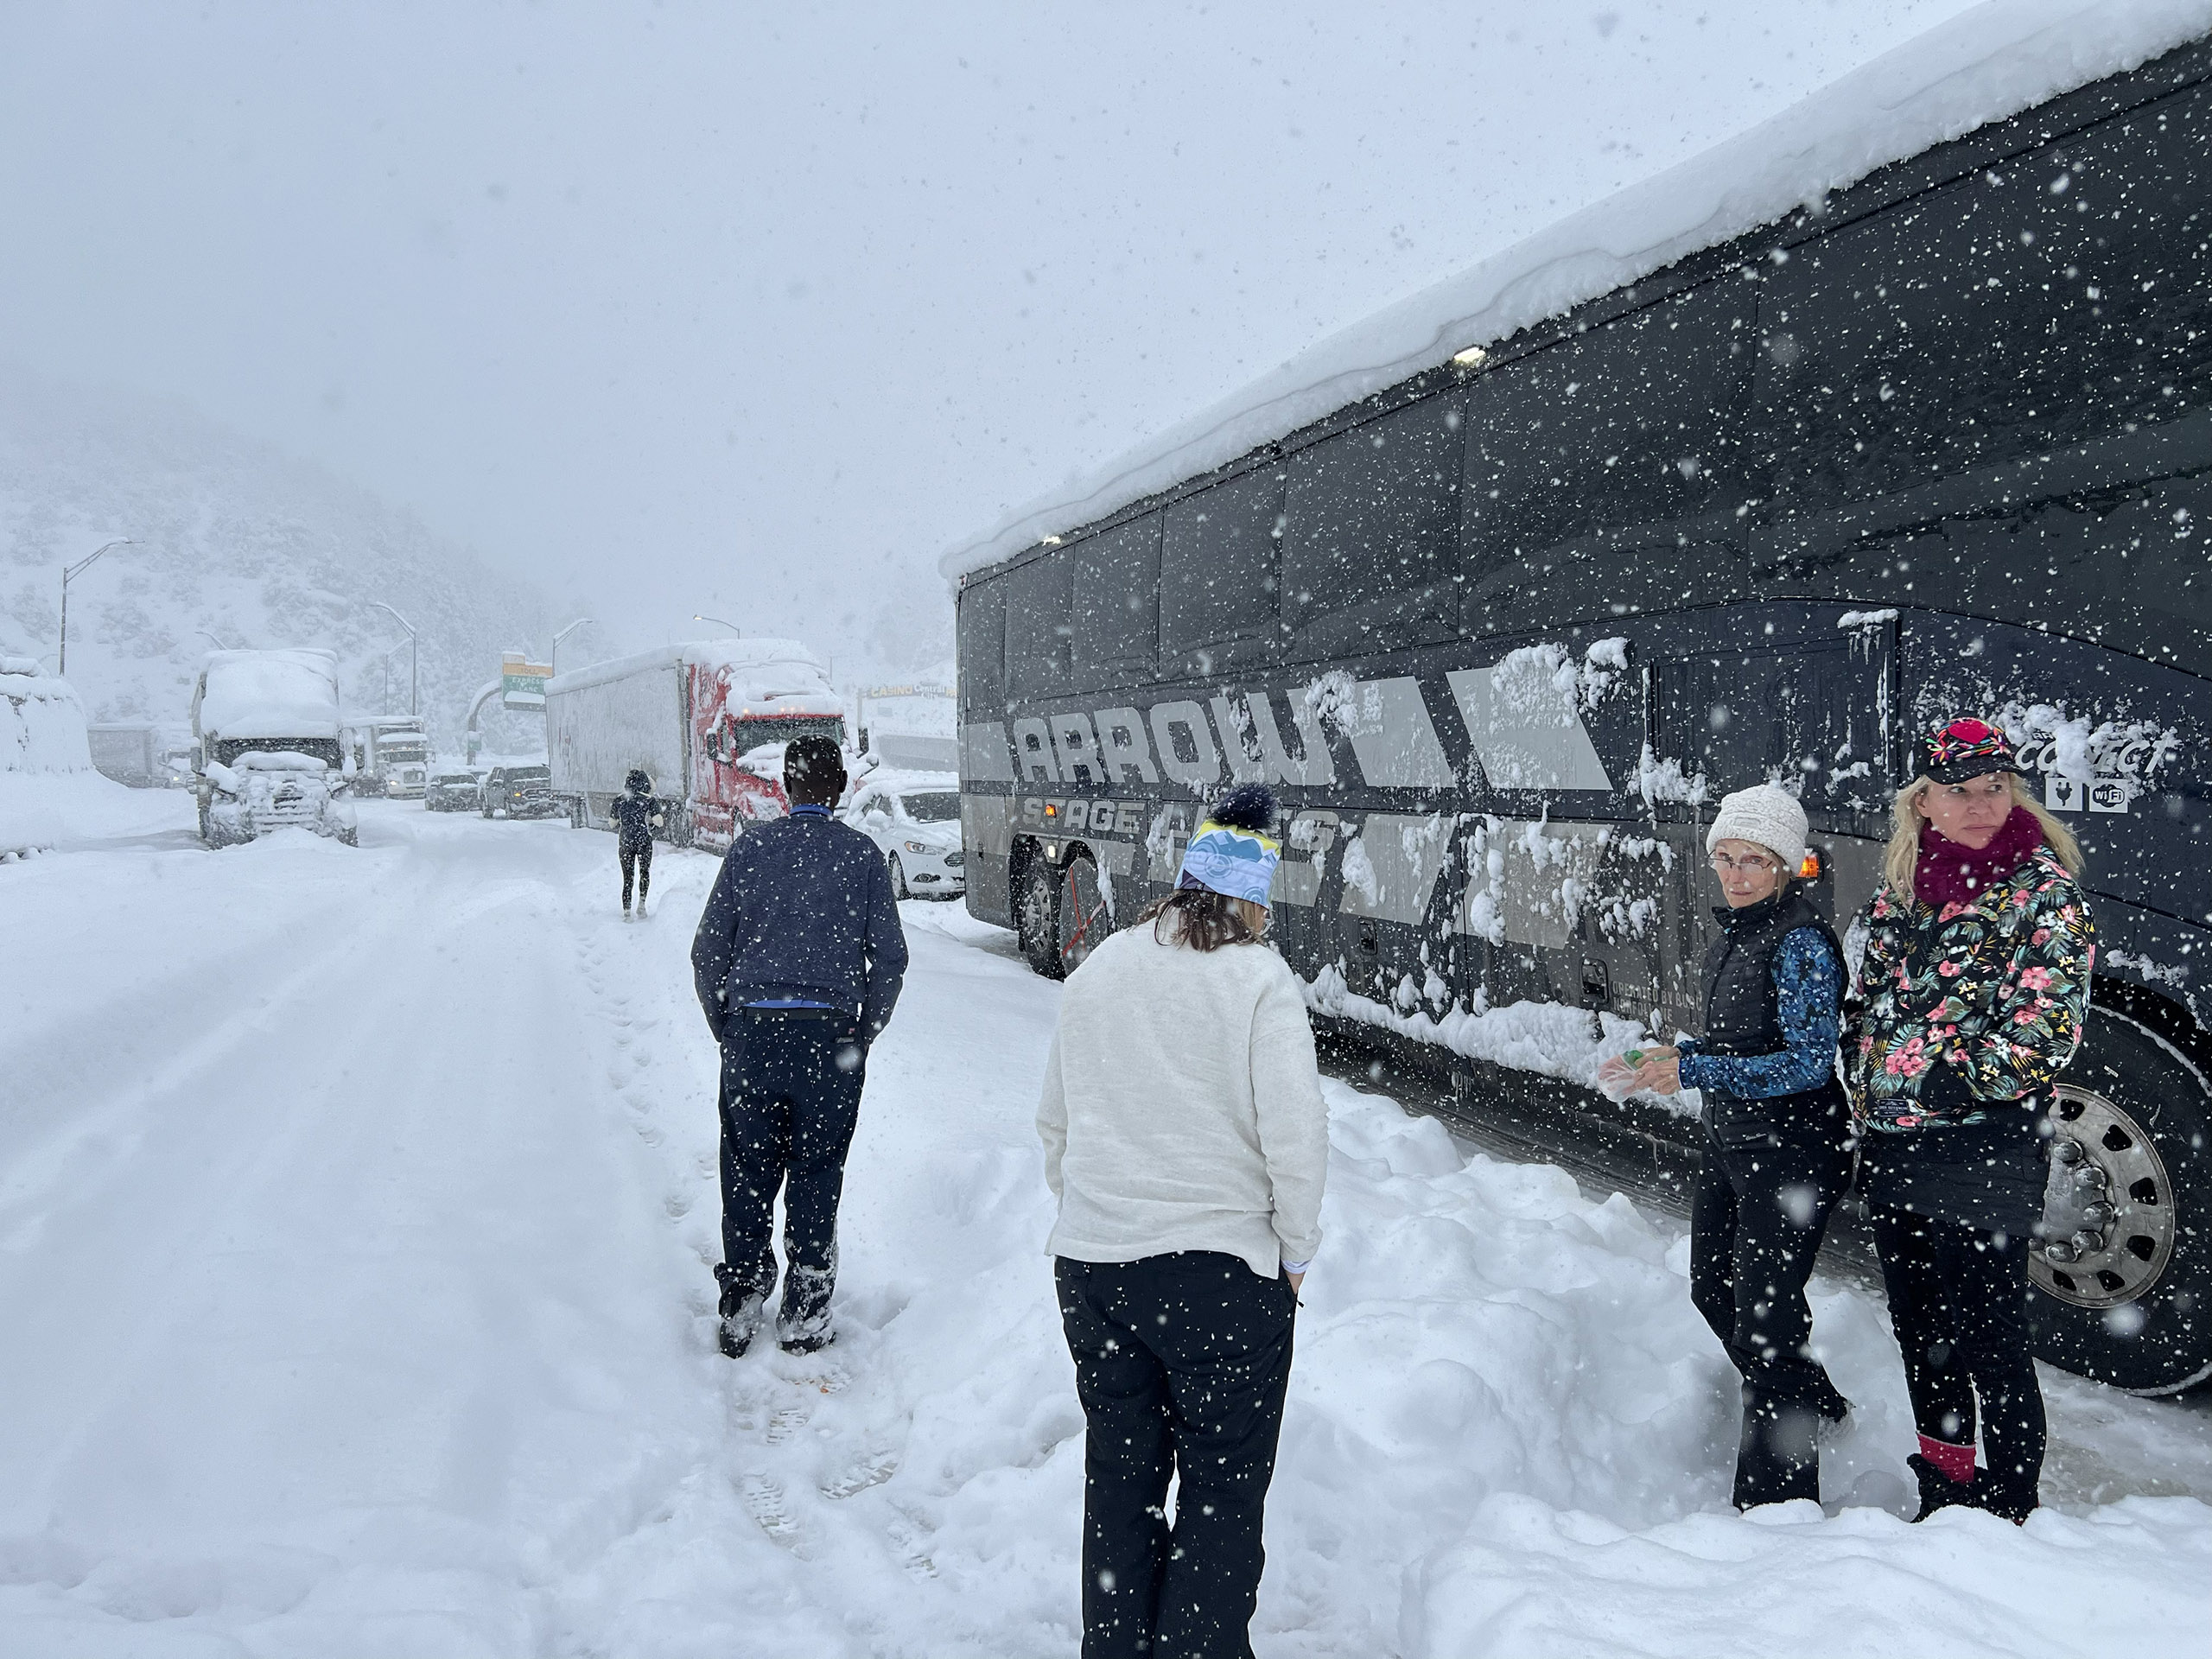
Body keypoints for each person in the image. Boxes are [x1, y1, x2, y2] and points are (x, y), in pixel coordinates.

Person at [1038, 784, 1328, 1659]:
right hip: (1219, 1276)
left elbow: (1055, 1126)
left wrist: (1100, 1213)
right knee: (1220, 1490)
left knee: (1121, 1478)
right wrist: (1296, 1250)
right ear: (1252, 895)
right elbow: (1295, 1139)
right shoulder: (1256, 982)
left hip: (1093, 1270)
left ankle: (1118, 1645)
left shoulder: (1101, 970)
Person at [1843, 715, 2093, 1524]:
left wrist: (1955, 1079)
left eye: (1996, 787)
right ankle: (1946, 1486)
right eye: (1961, 791)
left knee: (1991, 1338)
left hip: (1984, 1147)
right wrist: (1869, 1071)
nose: (1982, 804)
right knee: (1924, 1332)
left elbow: (2048, 1024)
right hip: (1896, 1144)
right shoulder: (1901, 890)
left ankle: (2013, 1501)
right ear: (1923, 803)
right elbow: (1870, 1002)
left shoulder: (2043, 891)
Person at [1599, 783, 1853, 1510]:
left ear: (1785, 865)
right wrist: (1672, 1058)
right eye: (1726, 858)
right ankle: (1816, 1404)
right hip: (1735, 1141)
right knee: (1713, 1287)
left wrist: (1696, 1068)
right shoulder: (1740, 929)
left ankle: (1778, 1504)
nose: (1737, 874)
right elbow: (1746, 1043)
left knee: (1769, 1317)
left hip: (1795, 1149)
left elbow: (1809, 1062)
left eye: (1755, 861)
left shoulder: (1801, 941)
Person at [690, 735, 908, 1357]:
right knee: (817, 1172)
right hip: (829, 1042)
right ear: (838, 787)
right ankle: (806, 1314)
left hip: (753, 1036)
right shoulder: (861, 858)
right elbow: (891, 959)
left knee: (747, 1170)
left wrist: (728, 1030)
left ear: (786, 786)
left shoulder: (750, 851)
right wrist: (862, 1033)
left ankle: (740, 1302)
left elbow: (708, 954)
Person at [611, 768, 664, 918]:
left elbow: (612, 823)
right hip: (644, 841)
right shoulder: (649, 801)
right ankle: (641, 905)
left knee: (628, 877)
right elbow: (659, 822)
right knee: (644, 872)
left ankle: (627, 911)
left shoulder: (619, 800)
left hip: (625, 842)